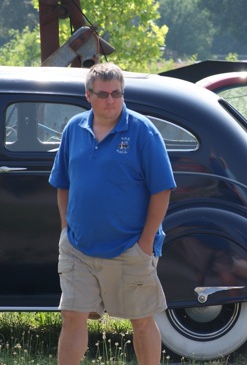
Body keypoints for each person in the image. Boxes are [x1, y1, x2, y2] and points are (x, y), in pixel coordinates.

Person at [48, 62, 176, 365]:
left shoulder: (142, 131)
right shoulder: (74, 129)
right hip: (78, 248)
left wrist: (144, 244)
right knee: (72, 316)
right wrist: (67, 229)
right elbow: (62, 184)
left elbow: (162, 190)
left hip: (130, 247)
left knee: (142, 321)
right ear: (88, 95)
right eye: (103, 94)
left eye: (117, 94)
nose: (111, 100)